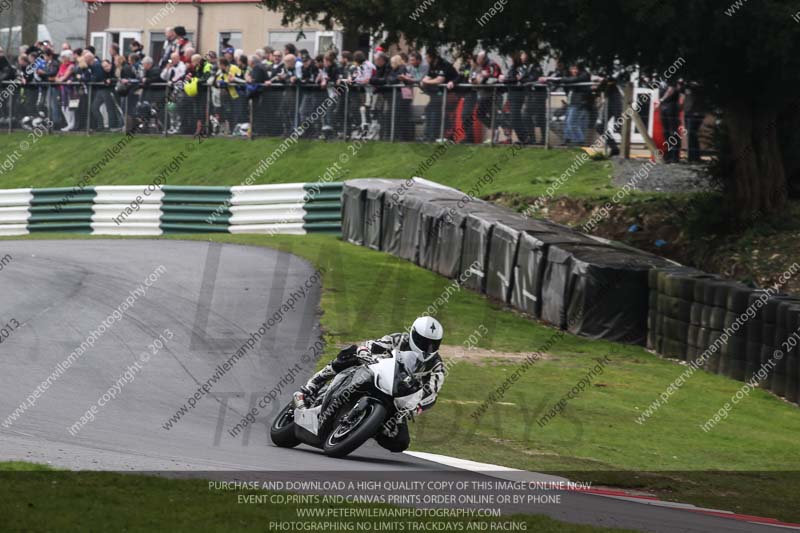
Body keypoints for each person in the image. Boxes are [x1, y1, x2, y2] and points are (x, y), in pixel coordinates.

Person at [297, 317, 446, 452]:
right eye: (423, 342)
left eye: (433, 345)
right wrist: (365, 351)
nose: (428, 348)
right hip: (376, 372)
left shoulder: (437, 366)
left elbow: (432, 393)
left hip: (399, 397)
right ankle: (315, 382)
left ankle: (369, 428)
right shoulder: (399, 339)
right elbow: (374, 344)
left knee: (401, 442)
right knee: (350, 353)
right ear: (413, 334)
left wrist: (417, 406)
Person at [420, 50, 457, 142]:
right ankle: (427, 135)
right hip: (438, 95)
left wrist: (426, 82)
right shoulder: (432, 65)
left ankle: (433, 136)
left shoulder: (444, 64)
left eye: (427, 57)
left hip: (449, 94)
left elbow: (439, 80)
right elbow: (428, 76)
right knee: (429, 109)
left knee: (434, 112)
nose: (426, 59)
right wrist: (422, 81)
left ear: (432, 57)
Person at [658, 77, 682, 163]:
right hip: (665, 107)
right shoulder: (662, 79)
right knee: (666, 132)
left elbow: (671, 90)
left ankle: (674, 156)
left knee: (673, 132)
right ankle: (668, 155)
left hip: (671, 107)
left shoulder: (673, 78)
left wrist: (661, 100)